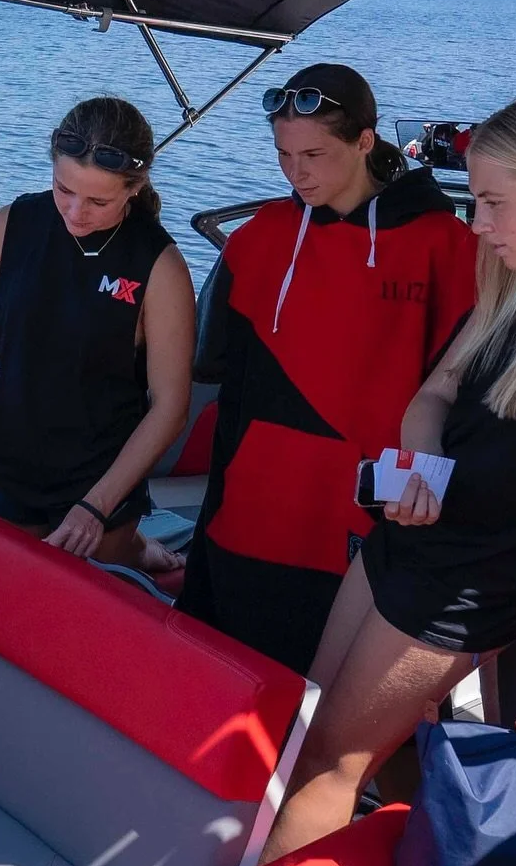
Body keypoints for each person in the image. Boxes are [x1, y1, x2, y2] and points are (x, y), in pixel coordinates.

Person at [259, 93, 516, 863]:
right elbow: (434, 394)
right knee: (306, 734)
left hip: (462, 588)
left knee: (329, 764)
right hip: (406, 537)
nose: (476, 224)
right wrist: (422, 473)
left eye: (495, 203)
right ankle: (380, 861)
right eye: (476, 200)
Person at [179, 64, 476, 675]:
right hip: (255, 514)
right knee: (233, 682)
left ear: (365, 141)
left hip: (370, 516)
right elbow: (211, 370)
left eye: (314, 153)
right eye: (284, 154)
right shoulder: (257, 240)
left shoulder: (446, 246)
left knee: (335, 705)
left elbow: (469, 397)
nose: (297, 172)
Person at [0, 96, 195, 571]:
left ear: (134, 188)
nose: (76, 212)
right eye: (64, 189)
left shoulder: (160, 267)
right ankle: (143, 549)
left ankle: (143, 549)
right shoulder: (8, 226)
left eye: (98, 201)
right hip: (9, 469)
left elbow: (171, 408)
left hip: (100, 482)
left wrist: (96, 506)